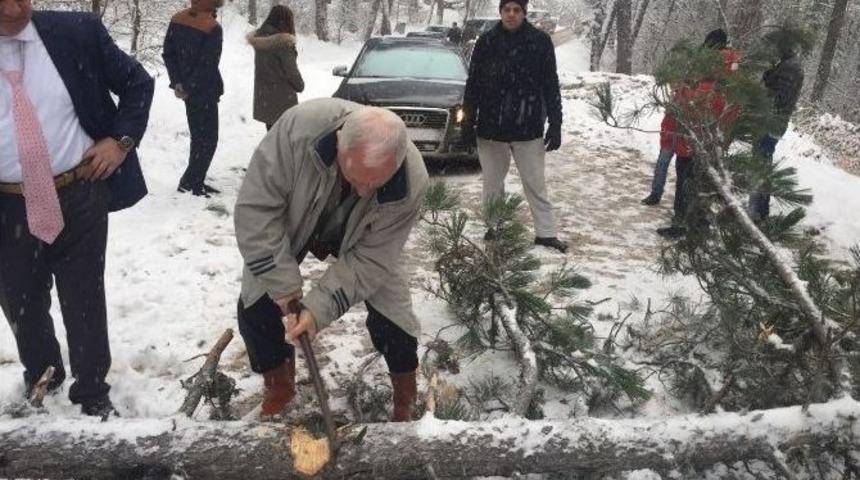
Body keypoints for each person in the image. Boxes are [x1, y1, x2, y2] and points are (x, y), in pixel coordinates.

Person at [0, 0, 154, 418]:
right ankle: (43, 376)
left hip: (79, 190)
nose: (15, 8)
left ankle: (92, 392)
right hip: (7, 204)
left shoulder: (77, 33)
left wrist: (121, 141)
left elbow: (139, 83)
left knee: (84, 295)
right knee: (21, 300)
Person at [234, 98, 429, 422]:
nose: (364, 190)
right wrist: (284, 289)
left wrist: (317, 310)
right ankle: (279, 388)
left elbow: (372, 259)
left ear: (395, 165)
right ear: (339, 140)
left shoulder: (411, 180)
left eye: (374, 183)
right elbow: (257, 210)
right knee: (256, 305)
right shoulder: (298, 131)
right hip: (295, 219)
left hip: (366, 235)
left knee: (397, 322)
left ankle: (404, 403)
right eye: (355, 176)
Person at [462, 0, 567, 253]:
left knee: (535, 182)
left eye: (516, 10)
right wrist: (467, 121)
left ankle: (545, 233)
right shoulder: (486, 42)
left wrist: (556, 123)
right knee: (492, 183)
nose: (511, 14)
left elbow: (550, 83)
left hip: (527, 125)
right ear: (500, 12)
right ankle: (493, 226)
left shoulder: (540, 42)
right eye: (507, 9)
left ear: (524, 13)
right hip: (491, 127)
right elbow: (473, 83)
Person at [657, 29, 740, 239]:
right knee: (702, 182)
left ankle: (682, 224)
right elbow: (731, 109)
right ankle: (700, 224)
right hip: (712, 138)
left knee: (686, 180)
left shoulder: (707, 74)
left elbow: (690, 103)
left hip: (693, 135)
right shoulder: (730, 72)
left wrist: (680, 94)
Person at [162, 0, 224, 197]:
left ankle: (192, 180)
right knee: (209, 139)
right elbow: (208, 64)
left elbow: (168, 53)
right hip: (204, 91)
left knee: (198, 137)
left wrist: (178, 82)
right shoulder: (212, 27)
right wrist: (190, 86)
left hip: (187, 91)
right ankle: (192, 182)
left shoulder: (177, 19)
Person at [748, 38, 804, 222]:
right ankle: (760, 210)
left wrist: (759, 98)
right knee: (762, 165)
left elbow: (779, 98)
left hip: (770, 122)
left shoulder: (790, 68)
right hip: (773, 122)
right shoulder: (787, 65)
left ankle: (755, 212)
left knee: (759, 166)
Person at [248, 5, 304, 131]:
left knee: (272, 136)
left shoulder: (260, 40)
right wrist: (300, 85)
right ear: (284, 21)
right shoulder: (283, 43)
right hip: (282, 100)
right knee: (285, 139)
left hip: (265, 98)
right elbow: (291, 71)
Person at [641, 114, 677, 206]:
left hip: (686, 137)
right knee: (661, 165)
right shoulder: (675, 103)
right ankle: (655, 195)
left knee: (684, 172)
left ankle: (681, 204)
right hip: (670, 135)